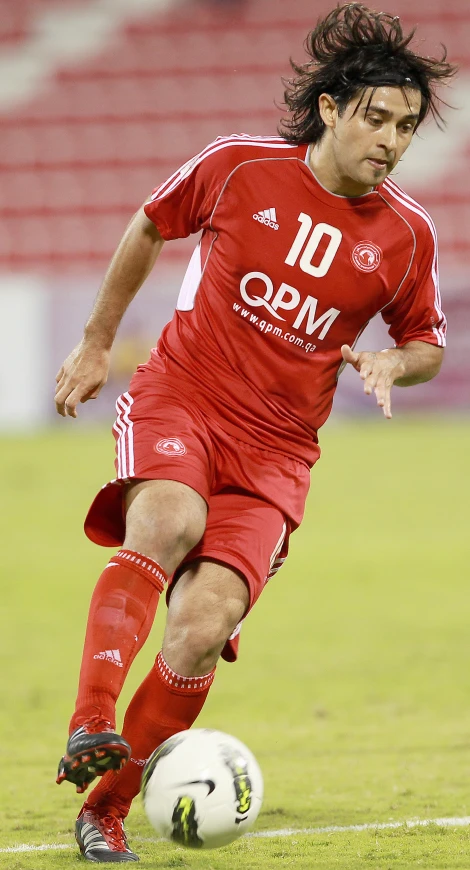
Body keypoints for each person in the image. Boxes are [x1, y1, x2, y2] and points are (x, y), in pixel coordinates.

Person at [54, 4, 456, 862]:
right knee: (167, 520)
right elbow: (151, 223)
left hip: (278, 453)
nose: (390, 140)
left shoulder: (406, 234)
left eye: (407, 128)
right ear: (331, 110)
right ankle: (91, 719)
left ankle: (108, 808)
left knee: (204, 622)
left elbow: (427, 342)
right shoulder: (239, 167)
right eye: (377, 118)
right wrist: (95, 343)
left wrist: (395, 365)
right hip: (184, 397)